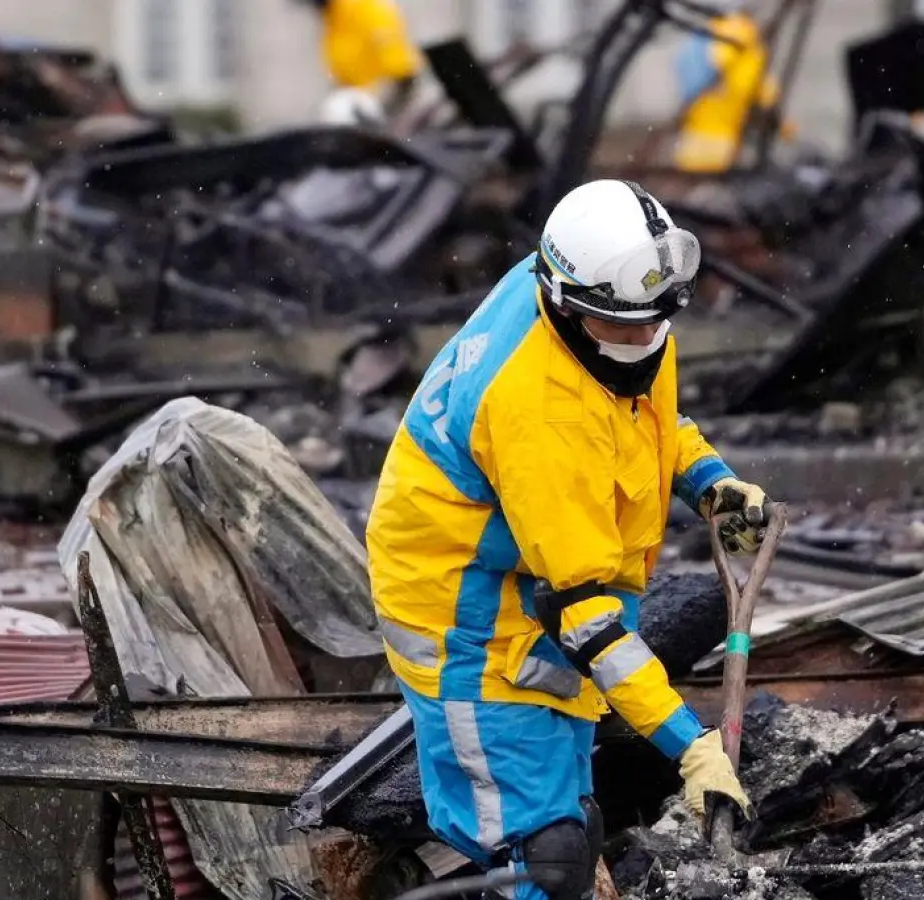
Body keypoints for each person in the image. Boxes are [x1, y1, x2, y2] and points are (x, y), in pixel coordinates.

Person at [366, 179, 765, 899]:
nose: (649, 340)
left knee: (574, 819)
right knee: (541, 855)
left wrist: (708, 480)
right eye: (631, 327)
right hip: (466, 622)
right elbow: (585, 616)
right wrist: (690, 747)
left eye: (657, 322)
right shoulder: (537, 412)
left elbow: (639, 421)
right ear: (572, 305)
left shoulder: (619, 309)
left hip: (532, 575)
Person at [673, 1, 794, 172]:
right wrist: (782, 125)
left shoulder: (707, 32)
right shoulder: (743, 33)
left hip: (699, 126)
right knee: (711, 179)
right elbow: (759, 83)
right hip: (721, 132)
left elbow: (687, 69)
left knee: (693, 175)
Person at [303, 0, 421, 122]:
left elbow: (404, 76)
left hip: (389, 109)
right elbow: (343, 80)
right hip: (359, 107)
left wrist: (381, 116)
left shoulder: (368, 10)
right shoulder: (332, 19)